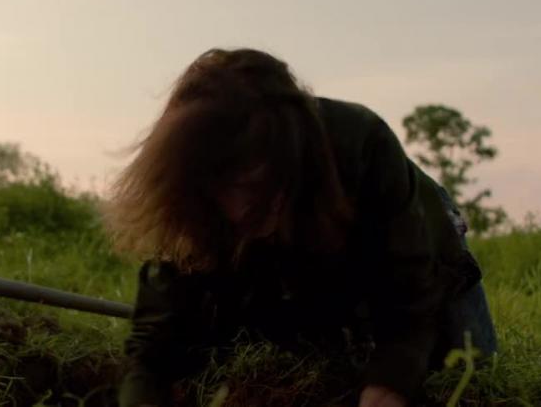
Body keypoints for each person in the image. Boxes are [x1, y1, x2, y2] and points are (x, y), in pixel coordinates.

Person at [105, 48, 497, 407]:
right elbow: (153, 340)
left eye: (256, 185)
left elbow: (410, 289)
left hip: (416, 247)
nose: (242, 208)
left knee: (465, 376)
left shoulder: (362, 146)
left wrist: (390, 382)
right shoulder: (193, 204)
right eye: (228, 188)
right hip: (294, 277)